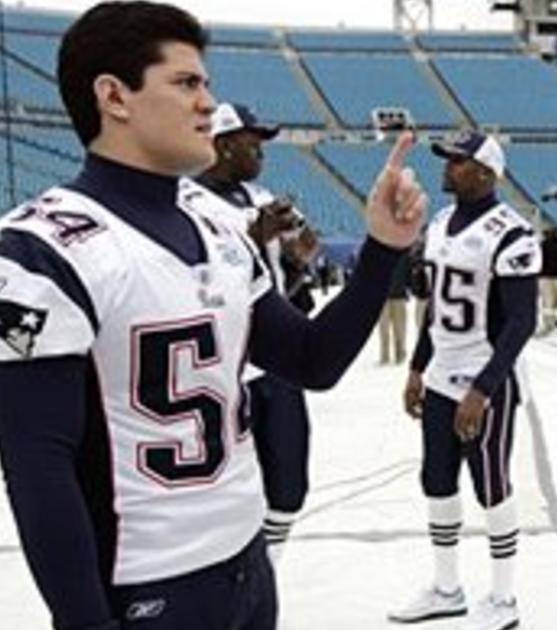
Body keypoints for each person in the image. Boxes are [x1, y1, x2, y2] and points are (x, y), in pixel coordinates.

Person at [0, 3, 427, 629]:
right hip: (147, 588)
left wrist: (382, 251)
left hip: (246, 562)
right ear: (114, 96)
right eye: (186, 83)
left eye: (206, 83)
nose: (208, 103)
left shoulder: (216, 223)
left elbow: (311, 360)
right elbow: (37, 467)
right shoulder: (39, 247)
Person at [392, 130, 540, 630]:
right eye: (450, 159)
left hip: (486, 382)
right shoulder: (438, 224)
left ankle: (503, 598)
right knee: (436, 480)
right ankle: (447, 588)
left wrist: (482, 388)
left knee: (492, 484)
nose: (448, 167)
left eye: (458, 161)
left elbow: (521, 321)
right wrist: (416, 367)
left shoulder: (513, 232)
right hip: (439, 375)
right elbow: (436, 307)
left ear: (485, 172)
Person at [194, 101, 319, 566]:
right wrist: (252, 236)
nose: (260, 150)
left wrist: (299, 253)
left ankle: (270, 574)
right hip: (224, 366)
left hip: (275, 358)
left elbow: (288, 270)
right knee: (226, 491)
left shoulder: (258, 196)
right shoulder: (184, 202)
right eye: (252, 140)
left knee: (289, 485)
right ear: (223, 144)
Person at [379, 254, 411, 364]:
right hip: (382, 297)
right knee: (384, 328)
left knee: (400, 328)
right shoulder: (380, 255)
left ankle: (400, 353)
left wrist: (411, 287)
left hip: (399, 295)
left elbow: (409, 274)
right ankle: (385, 355)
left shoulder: (404, 256)